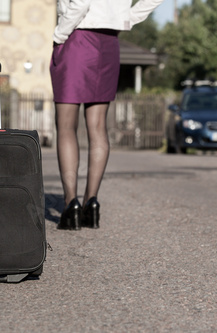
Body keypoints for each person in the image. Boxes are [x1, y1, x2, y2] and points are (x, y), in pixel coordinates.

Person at [50, 0, 164, 230]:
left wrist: (60, 33)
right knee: (98, 126)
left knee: (65, 126)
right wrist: (126, 18)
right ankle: (91, 204)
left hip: (77, 38)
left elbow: (81, 2)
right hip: (109, 42)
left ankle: (70, 204)